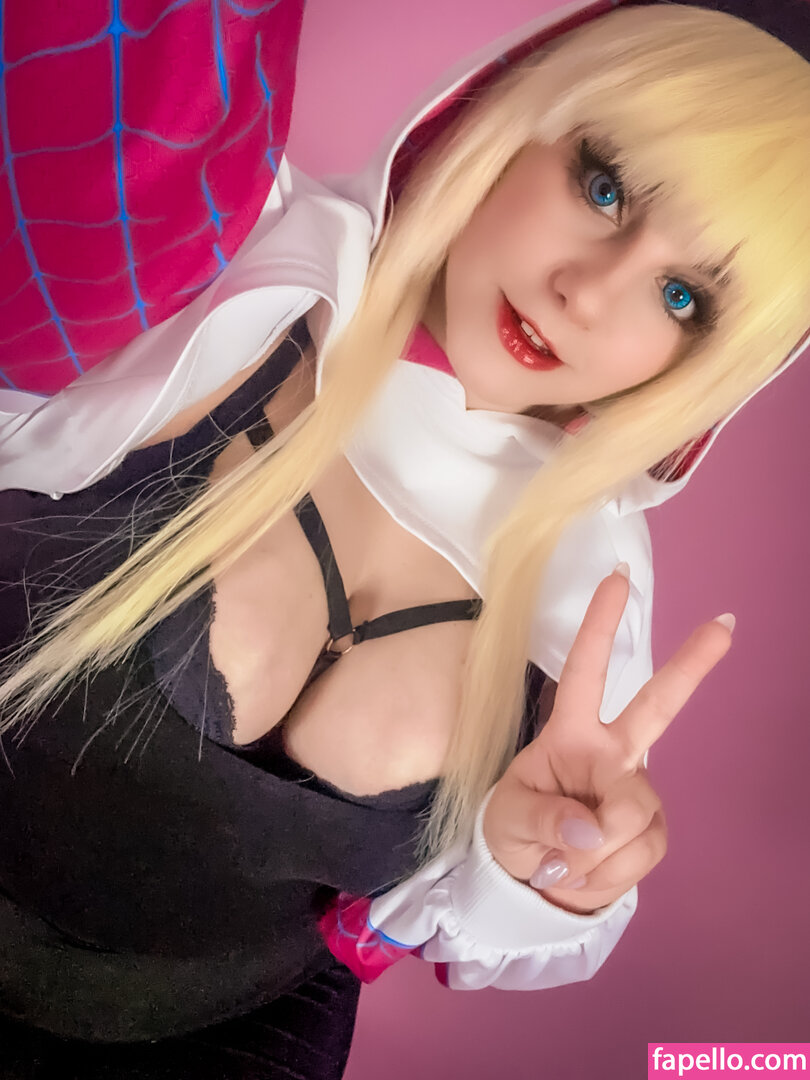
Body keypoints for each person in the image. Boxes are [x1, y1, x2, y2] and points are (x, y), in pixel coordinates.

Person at [0, 1, 808, 1077]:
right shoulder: (231, 263)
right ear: (507, 112)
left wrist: (545, 869)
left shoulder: (589, 587)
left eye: (680, 295)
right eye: (604, 187)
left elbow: (479, 928)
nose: (587, 294)